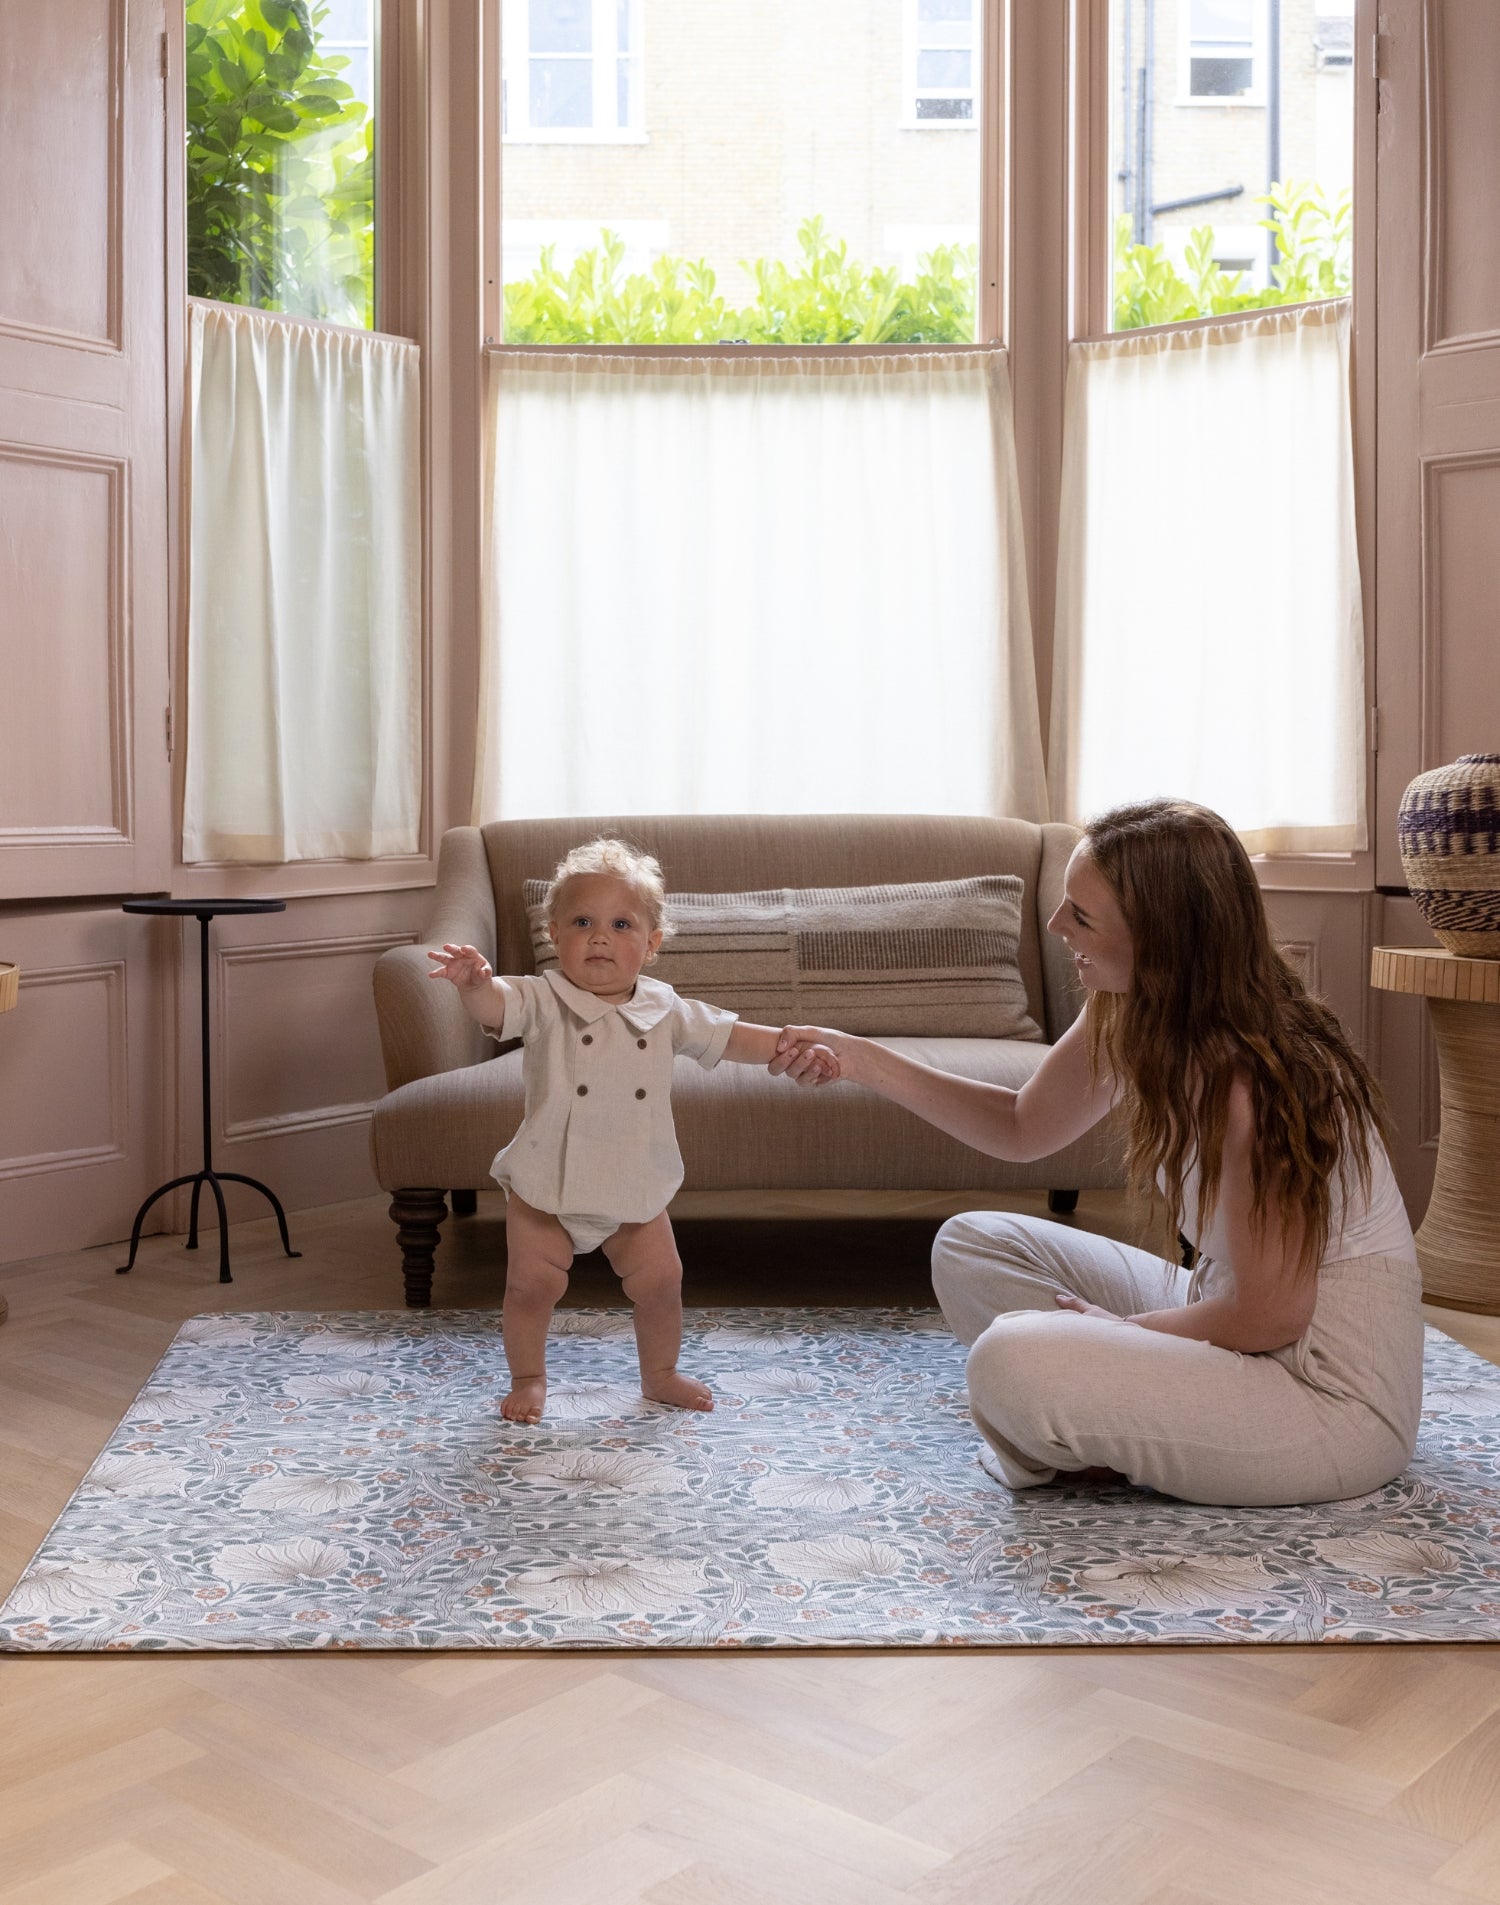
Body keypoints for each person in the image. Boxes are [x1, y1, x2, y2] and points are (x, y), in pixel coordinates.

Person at [772, 798, 1422, 1507]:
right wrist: (864, 1059)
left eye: (1081, 916)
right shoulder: (1134, 1003)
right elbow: (1023, 1127)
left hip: (1324, 1393)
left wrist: (1126, 1333)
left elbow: (1273, 1315)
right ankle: (1115, 1428)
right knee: (969, 1245)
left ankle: (1101, 1425)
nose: (1055, 928)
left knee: (1011, 1359)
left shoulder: (1261, 1080)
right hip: (1227, 1311)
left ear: (1161, 937)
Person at [430, 837, 838, 1424]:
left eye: (621, 924)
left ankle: (660, 1374)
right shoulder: (543, 998)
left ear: (651, 945)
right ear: (553, 933)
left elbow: (729, 1036)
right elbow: (496, 1006)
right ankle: (529, 1377)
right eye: (582, 921)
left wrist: (784, 1044)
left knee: (661, 1283)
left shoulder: (666, 1009)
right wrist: (473, 983)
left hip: (632, 1184)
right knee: (529, 1288)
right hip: (548, 1184)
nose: (600, 936)